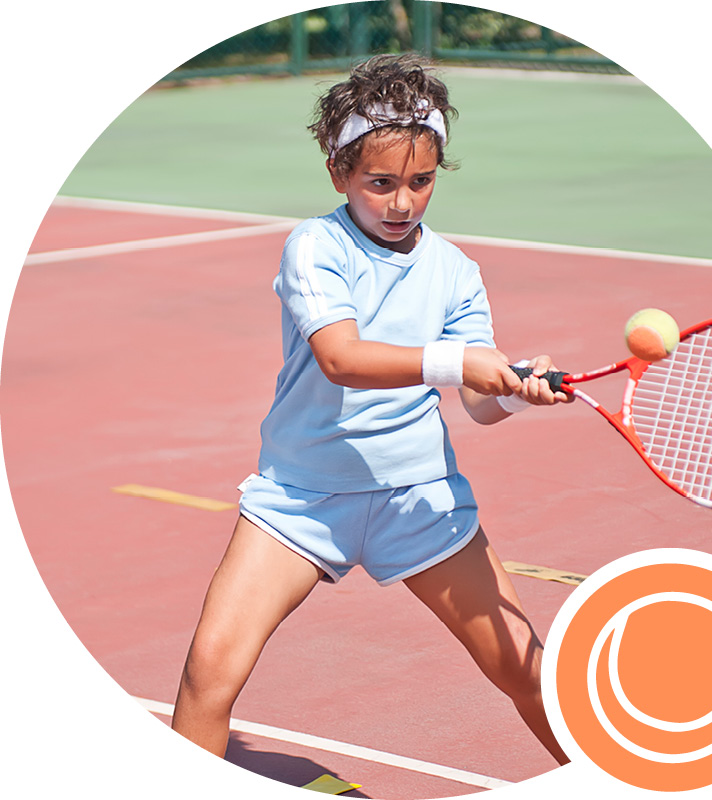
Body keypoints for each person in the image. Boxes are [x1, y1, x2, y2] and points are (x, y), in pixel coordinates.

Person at [171, 54, 570, 768]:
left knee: (525, 668)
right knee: (209, 674)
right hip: (300, 498)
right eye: (379, 183)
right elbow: (341, 357)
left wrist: (512, 387)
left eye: (420, 183)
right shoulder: (316, 247)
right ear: (339, 176)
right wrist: (457, 363)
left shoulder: (455, 271)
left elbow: (477, 402)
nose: (402, 203)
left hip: (418, 499)